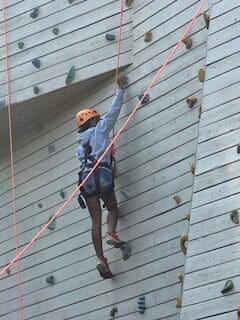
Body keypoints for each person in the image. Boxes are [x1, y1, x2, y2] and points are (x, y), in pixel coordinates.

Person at [75, 75, 128, 279]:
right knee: (112, 208)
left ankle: (100, 258)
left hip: (86, 180)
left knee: (94, 220)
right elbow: (113, 112)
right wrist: (121, 89)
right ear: (94, 120)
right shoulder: (99, 130)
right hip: (102, 176)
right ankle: (111, 233)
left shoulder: (80, 143)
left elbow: (82, 159)